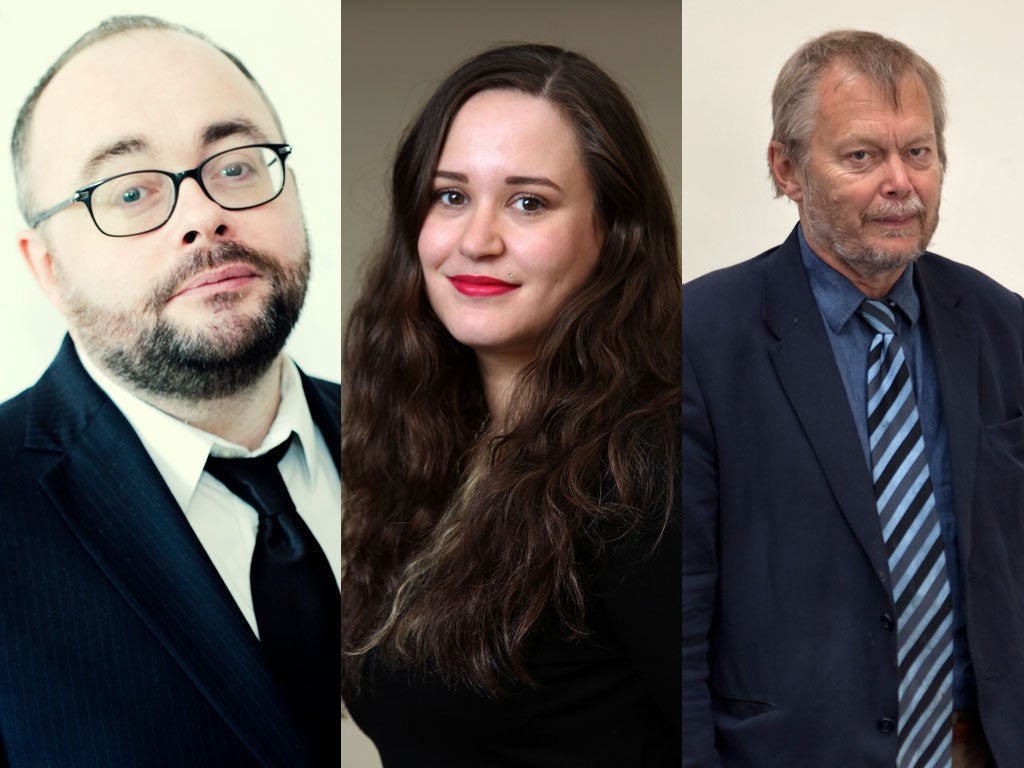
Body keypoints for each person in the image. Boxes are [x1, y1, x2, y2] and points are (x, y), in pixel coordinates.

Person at [0, 15, 339, 767]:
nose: (202, 214)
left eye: (238, 164)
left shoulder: (444, 444)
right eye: (128, 192)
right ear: (47, 267)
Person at [683, 29, 1024, 767]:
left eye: (919, 152)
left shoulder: (1005, 327)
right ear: (788, 168)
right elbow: (677, 607)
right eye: (862, 155)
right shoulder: (698, 338)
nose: (901, 182)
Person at [342, 43, 681, 766]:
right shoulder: (413, 444)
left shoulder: (646, 467)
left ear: (611, 235)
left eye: (529, 202)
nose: (477, 240)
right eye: (451, 196)